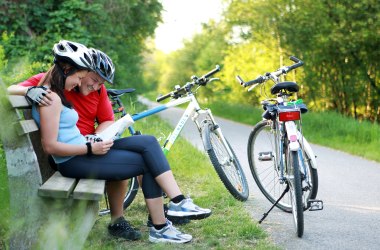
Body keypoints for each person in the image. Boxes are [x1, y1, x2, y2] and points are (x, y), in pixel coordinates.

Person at [8, 40, 211, 243]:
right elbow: (50, 146)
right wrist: (89, 147)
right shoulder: (50, 97)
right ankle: (162, 225)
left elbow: (90, 124)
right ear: (67, 68)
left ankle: (177, 204)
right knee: (148, 161)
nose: (79, 83)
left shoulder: (55, 93)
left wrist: (91, 140)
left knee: (148, 142)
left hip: (82, 150)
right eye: (80, 77)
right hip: (74, 159)